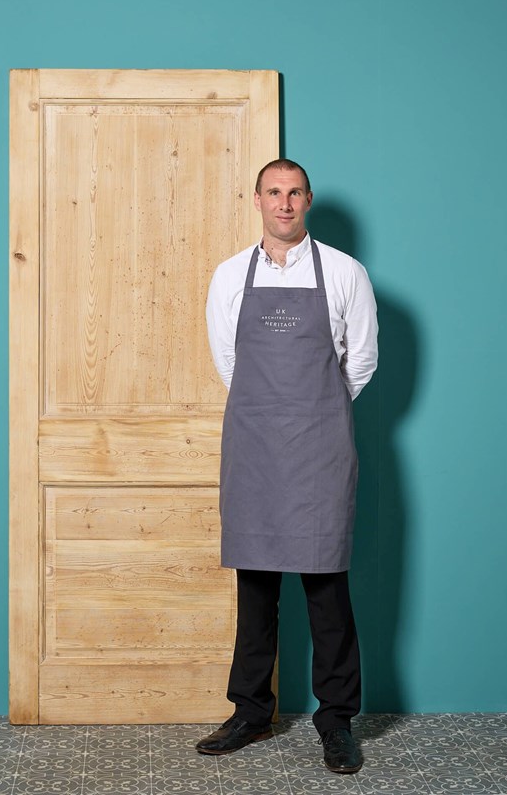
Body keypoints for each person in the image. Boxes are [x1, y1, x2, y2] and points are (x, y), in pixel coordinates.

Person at [198, 159, 378, 774]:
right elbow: (228, 360)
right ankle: (250, 712)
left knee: (327, 591)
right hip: (254, 448)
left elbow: (361, 361)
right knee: (255, 588)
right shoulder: (230, 275)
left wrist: (314, 410)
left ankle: (337, 721)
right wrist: (271, 411)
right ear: (257, 200)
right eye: (273, 192)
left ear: (308, 200)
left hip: (320, 449)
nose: (284, 202)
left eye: (294, 192)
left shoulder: (346, 272)